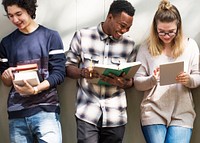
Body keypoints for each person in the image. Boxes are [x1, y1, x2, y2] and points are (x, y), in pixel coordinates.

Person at [65, 0, 136, 142]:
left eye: (128, 28)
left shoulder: (129, 45)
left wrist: (122, 82)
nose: (124, 31)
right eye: (122, 26)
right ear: (110, 17)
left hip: (116, 115)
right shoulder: (83, 36)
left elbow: (131, 81)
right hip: (87, 111)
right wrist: (82, 73)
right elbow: (68, 67)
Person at [134, 0, 200, 143]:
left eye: (171, 31)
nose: (166, 36)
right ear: (155, 28)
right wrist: (152, 79)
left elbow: (197, 77)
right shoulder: (146, 47)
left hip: (183, 112)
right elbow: (137, 82)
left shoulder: (190, 45)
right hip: (153, 111)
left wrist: (188, 80)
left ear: (178, 28)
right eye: (161, 32)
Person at [0, 0, 66, 142]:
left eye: (19, 14)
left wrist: (36, 89)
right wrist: (6, 75)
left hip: (46, 110)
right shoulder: (6, 43)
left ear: (29, 10)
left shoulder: (51, 36)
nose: (15, 20)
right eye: (10, 16)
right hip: (17, 112)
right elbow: (6, 82)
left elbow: (59, 74)